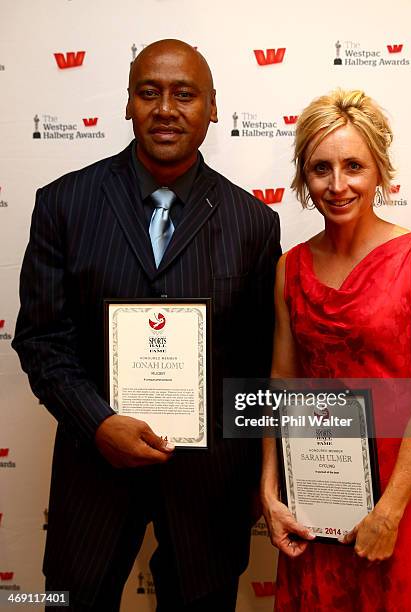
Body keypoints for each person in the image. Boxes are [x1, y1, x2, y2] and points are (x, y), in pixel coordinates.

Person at [13, 39, 281, 611]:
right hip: (94, 469)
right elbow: (41, 339)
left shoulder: (254, 223)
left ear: (212, 108)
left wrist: (262, 467)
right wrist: (98, 423)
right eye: (148, 92)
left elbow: (258, 360)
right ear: (127, 103)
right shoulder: (63, 203)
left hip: (209, 487)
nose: (165, 108)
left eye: (184, 95)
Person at [260, 89, 411, 611]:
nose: (338, 184)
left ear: (379, 171)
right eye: (321, 168)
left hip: (401, 502)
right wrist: (269, 489)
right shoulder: (290, 268)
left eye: (354, 166)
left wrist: (389, 513)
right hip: (316, 503)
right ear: (304, 176)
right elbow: (281, 386)